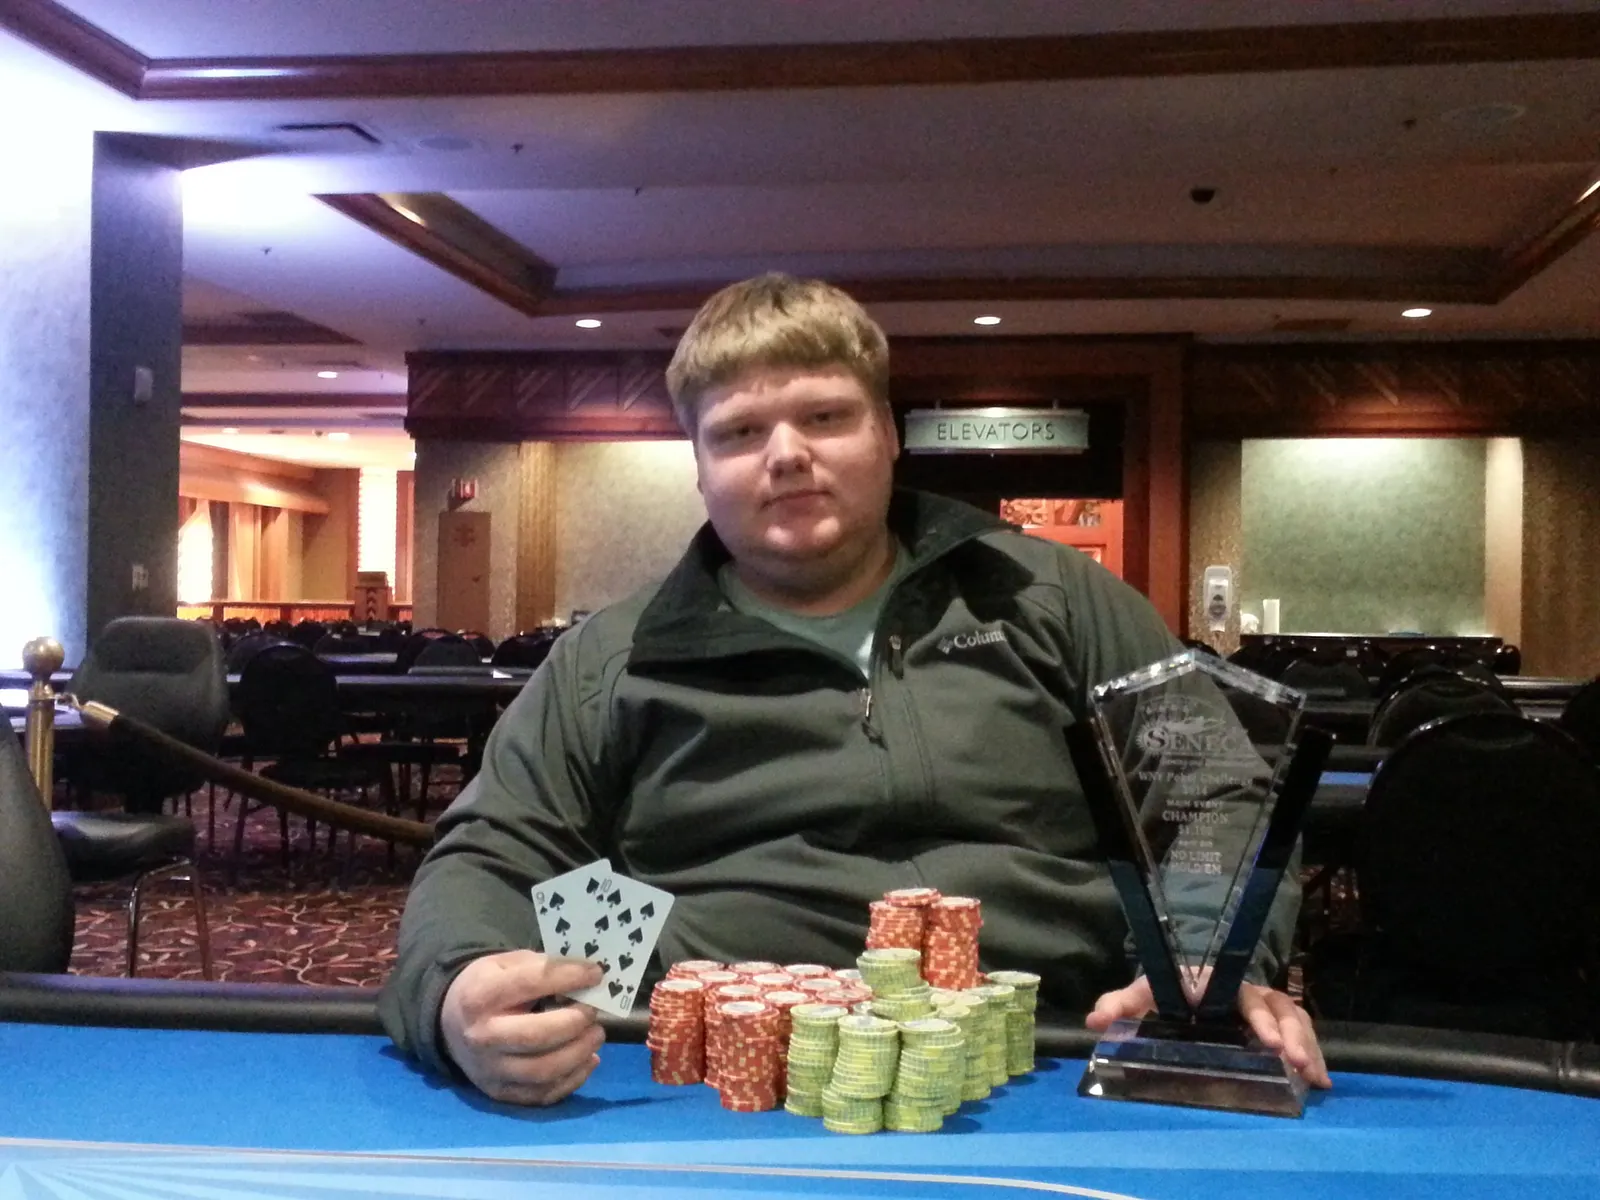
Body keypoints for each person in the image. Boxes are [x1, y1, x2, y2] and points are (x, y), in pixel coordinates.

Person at [379, 273, 1329, 1106]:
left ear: (888, 433)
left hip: (1064, 1044)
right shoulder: (611, 658)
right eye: (738, 432)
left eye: (826, 417)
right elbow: (492, 851)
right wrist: (455, 989)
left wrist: (1203, 957)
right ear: (701, 468)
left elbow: (1213, 794)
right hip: (715, 1078)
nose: (786, 453)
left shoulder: (1053, 596)